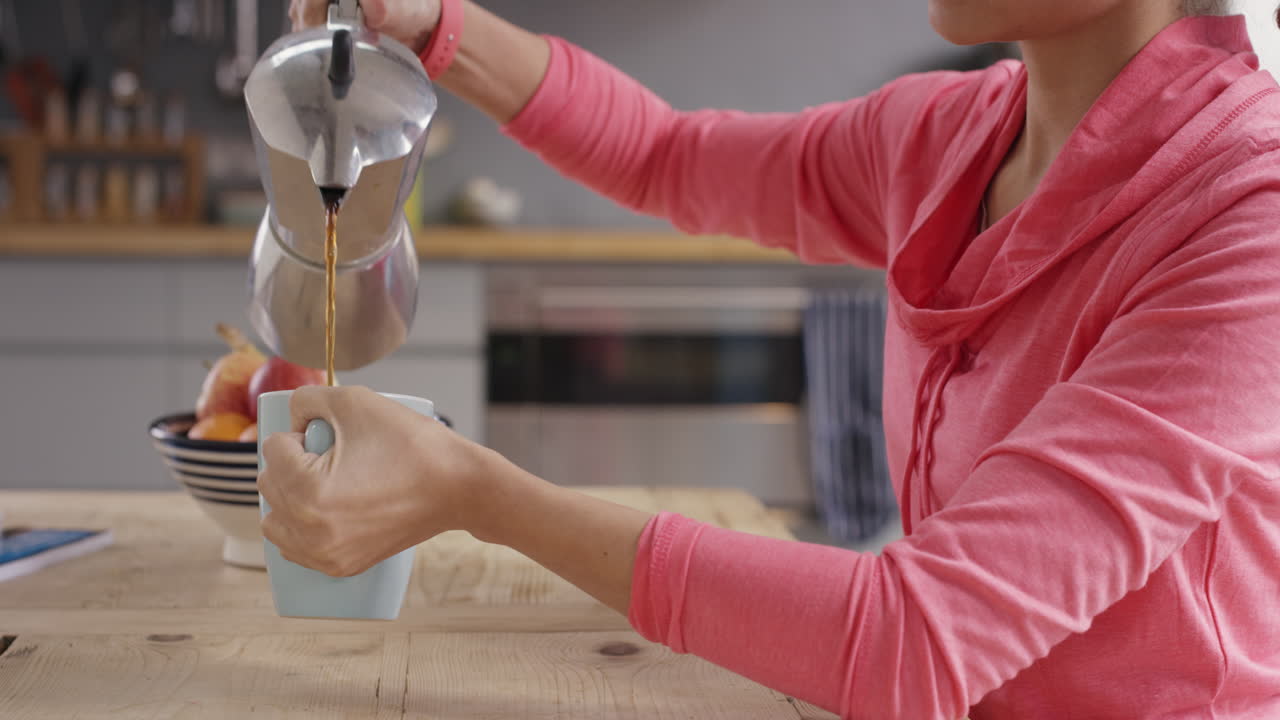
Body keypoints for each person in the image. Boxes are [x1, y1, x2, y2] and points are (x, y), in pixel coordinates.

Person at [260, 1, 1280, 717]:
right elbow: (665, 155)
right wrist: (443, 29)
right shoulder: (947, 135)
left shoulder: (1245, 218)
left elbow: (909, 641)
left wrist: (475, 492)